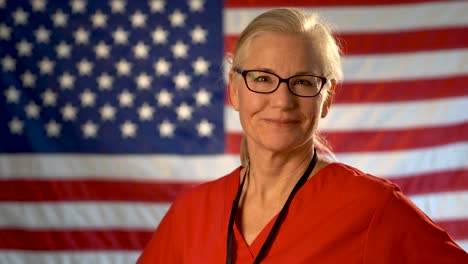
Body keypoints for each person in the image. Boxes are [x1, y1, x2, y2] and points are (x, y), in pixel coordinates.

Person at [138, 8, 467, 263]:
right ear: (235, 91)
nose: (282, 101)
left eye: (304, 82)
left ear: (328, 98)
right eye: (263, 79)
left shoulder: (373, 209)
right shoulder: (191, 213)